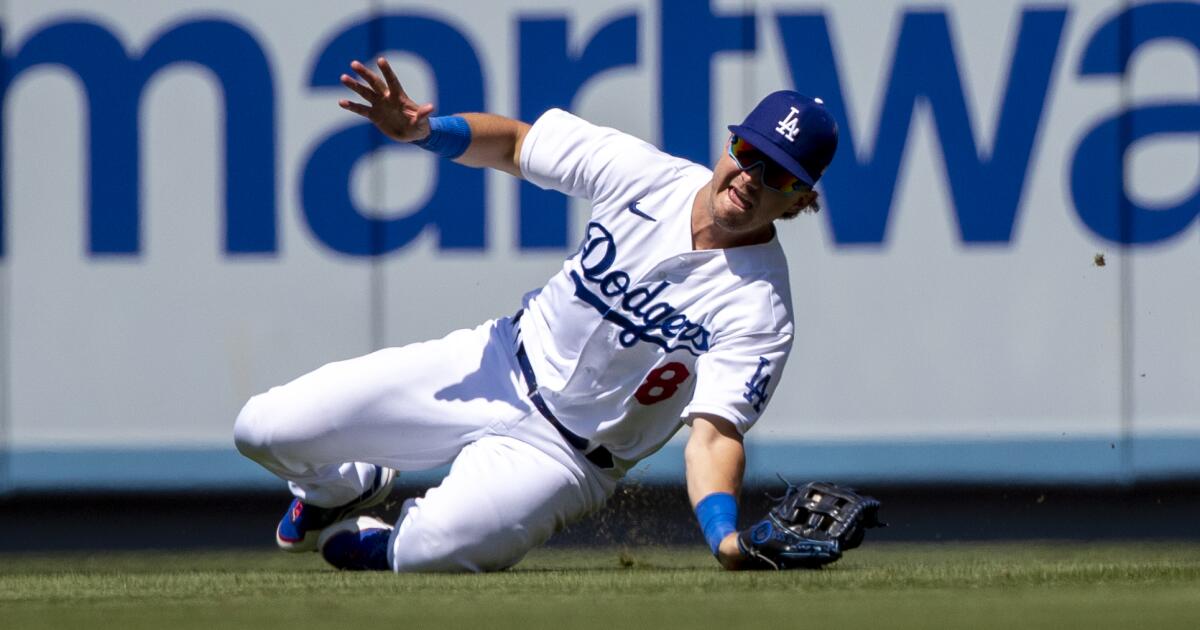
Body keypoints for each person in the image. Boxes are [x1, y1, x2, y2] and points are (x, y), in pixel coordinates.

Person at [234, 56, 841, 572]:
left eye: (778, 175)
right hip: (498, 360)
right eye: (747, 152)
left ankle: (382, 544)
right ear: (727, 145)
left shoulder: (761, 307)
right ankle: (342, 488)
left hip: (568, 457)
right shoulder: (645, 176)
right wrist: (425, 130)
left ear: (800, 198)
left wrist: (726, 539)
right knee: (262, 428)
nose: (749, 179)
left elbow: (712, 436)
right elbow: (517, 145)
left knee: (428, 553)